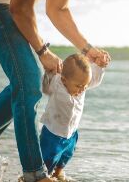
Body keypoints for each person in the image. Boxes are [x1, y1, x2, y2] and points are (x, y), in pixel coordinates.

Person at [0, 0, 110, 181]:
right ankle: (34, 175)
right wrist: (43, 51)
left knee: (27, 83)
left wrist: (88, 50)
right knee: (28, 82)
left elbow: (58, 9)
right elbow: (20, 8)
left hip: (4, 1)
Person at [39, 53, 107, 181]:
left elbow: (95, 79)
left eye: (85, 86)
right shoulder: (57, 82)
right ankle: (43, 177)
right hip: (52, 133)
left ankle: (58, 173)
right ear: (64, 80)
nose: (82, 89)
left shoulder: (82, 82)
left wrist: (100, 66)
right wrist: (48, 72)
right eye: (79, 86)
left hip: (71, 133)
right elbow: (45, 88)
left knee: (67, 155)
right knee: (47, 158)